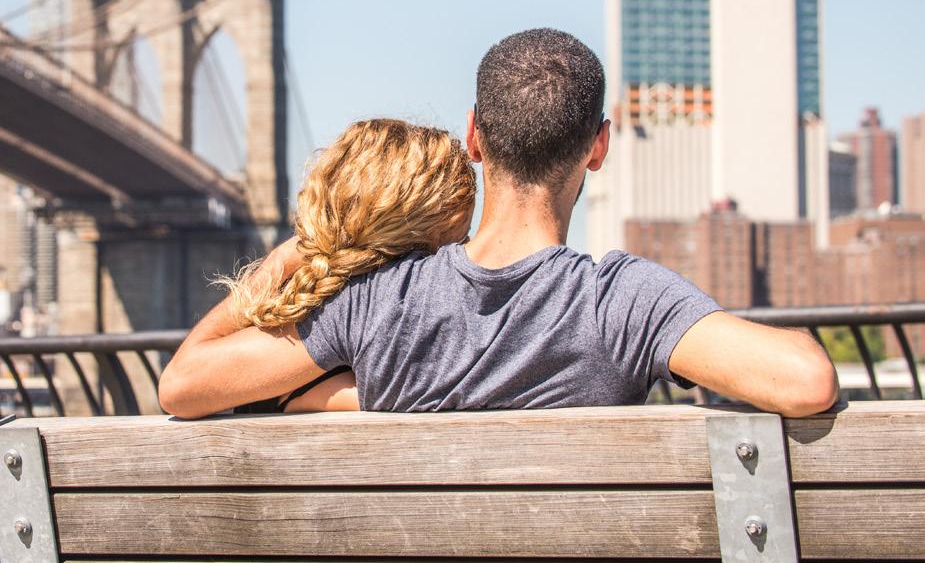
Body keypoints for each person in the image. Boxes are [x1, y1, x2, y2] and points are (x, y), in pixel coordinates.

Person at [158, 28, 839, 419]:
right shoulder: (623, 302)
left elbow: (183, 386)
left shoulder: (373, 300)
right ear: (597, 147)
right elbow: (804, 382)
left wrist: (300, 251)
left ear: (475, 138)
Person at [216, 117, 477, 412]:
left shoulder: (297, 330)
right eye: (458, 240)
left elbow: (183, 379)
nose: (461, 251)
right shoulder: (402, 338)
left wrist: (276, 264)